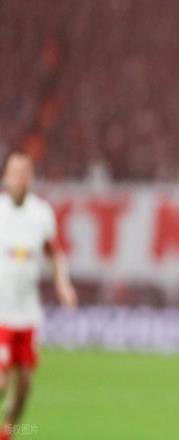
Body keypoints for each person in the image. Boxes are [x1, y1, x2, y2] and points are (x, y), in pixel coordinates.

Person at [0, 151, 78, 440]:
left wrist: (63, 284)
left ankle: (6, 434)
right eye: (15, 172)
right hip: (1, 313)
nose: (20, 178)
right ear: (6, 177)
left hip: (28, 315)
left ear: (31, 177)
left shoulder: (41, 213)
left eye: (25, 172)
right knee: (1, 383)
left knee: (23, 386)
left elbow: (53, 253)